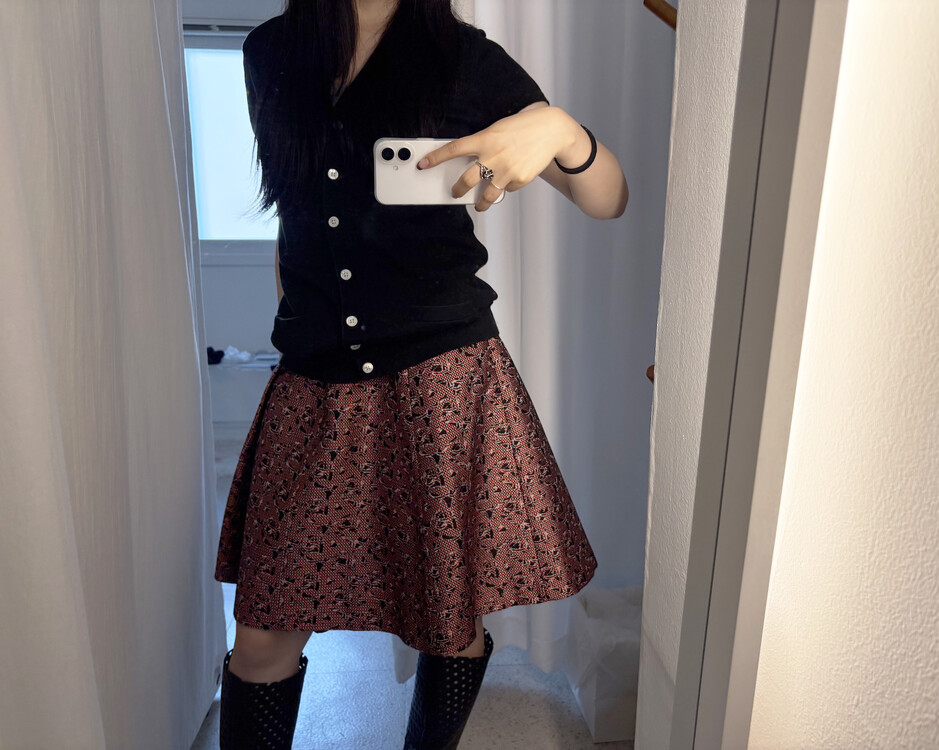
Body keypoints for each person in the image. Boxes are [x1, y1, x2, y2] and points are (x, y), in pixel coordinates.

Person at [213, 0, 629, 747]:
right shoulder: (269, 53)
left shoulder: (464, 59)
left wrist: (563, 132)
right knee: (264, 633)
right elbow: (297, 212)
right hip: (314, 383)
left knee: (448, 614)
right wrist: (301, 325)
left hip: (443, 381)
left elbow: (609, 198)